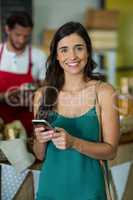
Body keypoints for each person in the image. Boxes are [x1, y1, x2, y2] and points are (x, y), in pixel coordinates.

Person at [33, 21, 120, 200]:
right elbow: (40, 155)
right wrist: (40, 140)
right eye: (64, 49)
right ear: (56, 55)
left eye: (78, 48)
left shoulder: (104, 92)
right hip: (50, 191)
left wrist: (73, 143)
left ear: (88, 51)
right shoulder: (43, 95)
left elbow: (111, 151)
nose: (72, 56)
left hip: (90, 192)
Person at [0, 11, 47, 134]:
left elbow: (47, 89)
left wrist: (35, 92)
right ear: (7, 30)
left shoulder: (39, 56)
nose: (21, 40)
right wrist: (4, 97)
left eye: (26, 36)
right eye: (18, 35)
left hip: (27, 127)